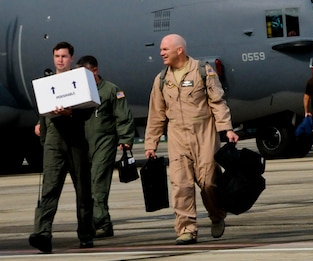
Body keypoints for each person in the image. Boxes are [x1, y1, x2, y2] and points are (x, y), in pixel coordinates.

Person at [144, 34, 239, 245]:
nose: (161, 53)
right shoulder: (161, 80)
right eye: (161, 49)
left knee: (209, 182)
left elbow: (218, 102)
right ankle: (186, 229)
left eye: (165, 49)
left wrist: (227, 129)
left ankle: (217, 215)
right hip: (177, 136)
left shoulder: (203, 71)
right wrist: (151, 144)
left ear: (180, 50)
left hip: (204, 133)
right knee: (181, 185)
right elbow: (156, 114)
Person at [29, 42, 95, 253]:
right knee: (49, 189)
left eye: (64, 56)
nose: (60, 60)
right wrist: (43, 133)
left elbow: (89, 110)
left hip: (76, 140)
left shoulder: (80, 80)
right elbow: (43, 112)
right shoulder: (46, 83)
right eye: (57, 56)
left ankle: (85, 234)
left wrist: (71, 113)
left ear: (72, 58)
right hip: (54, 143)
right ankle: (42, 234)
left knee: (83, 190)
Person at [79, 55, 135, 239]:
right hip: (84, 144)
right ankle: (93, 222)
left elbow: (123, 116)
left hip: (105, 142)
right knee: (85, 186)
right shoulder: (79, 92)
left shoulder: (111, 91)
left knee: (98, 183)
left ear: (95, 71)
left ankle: (101, 222)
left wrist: (126, 139)